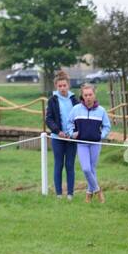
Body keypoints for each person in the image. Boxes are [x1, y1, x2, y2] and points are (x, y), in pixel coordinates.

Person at [69, 83, 111, 203]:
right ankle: (98, 191)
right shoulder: (76, 109)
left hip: (95, 144)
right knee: (86, 169)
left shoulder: (101, 110)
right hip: (82, 143)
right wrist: (72, 133)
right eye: (85, 95)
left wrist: (101, 136)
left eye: (90, 94)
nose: (88, 97)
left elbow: (107, 126)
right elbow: (69, 123)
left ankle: (88, 195)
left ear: (94, 95)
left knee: (92, 169)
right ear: (82, 96)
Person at [44, 71, 77, 200]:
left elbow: (78, 117)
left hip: (72, 138)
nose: (62, 88)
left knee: (70, 165)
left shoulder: (75, 99)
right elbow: (49, 119)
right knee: (59, 164)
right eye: (60, 86)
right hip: (57, 137)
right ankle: (58, 194)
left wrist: (74, 133)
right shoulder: (52, 100)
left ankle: (70, 194)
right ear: (56, 87)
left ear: (68, 85)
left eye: (64, 85)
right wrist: (58, 132)